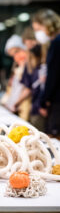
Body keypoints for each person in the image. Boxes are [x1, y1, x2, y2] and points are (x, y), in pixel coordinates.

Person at [32, 9, 60, 137]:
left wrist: (44, 100)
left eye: (39, 29)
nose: (38, 34)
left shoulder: (56, 43)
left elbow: (53, 75)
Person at [14, 27, 47, 131]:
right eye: (28, 45)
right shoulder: (30, 64)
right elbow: (28, 87)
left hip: (44, 107)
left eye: (32, 44)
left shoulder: (46, 61)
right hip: (36, 107)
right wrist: (16, 103)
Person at [0, 34, 31, 121]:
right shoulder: (16, 67)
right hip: (15, 108)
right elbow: (12, 88)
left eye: (17, 52)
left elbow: (28, 88)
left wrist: (16, 103)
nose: (16, 57)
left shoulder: (29, 66)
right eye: (13, 55)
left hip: (24, 107)